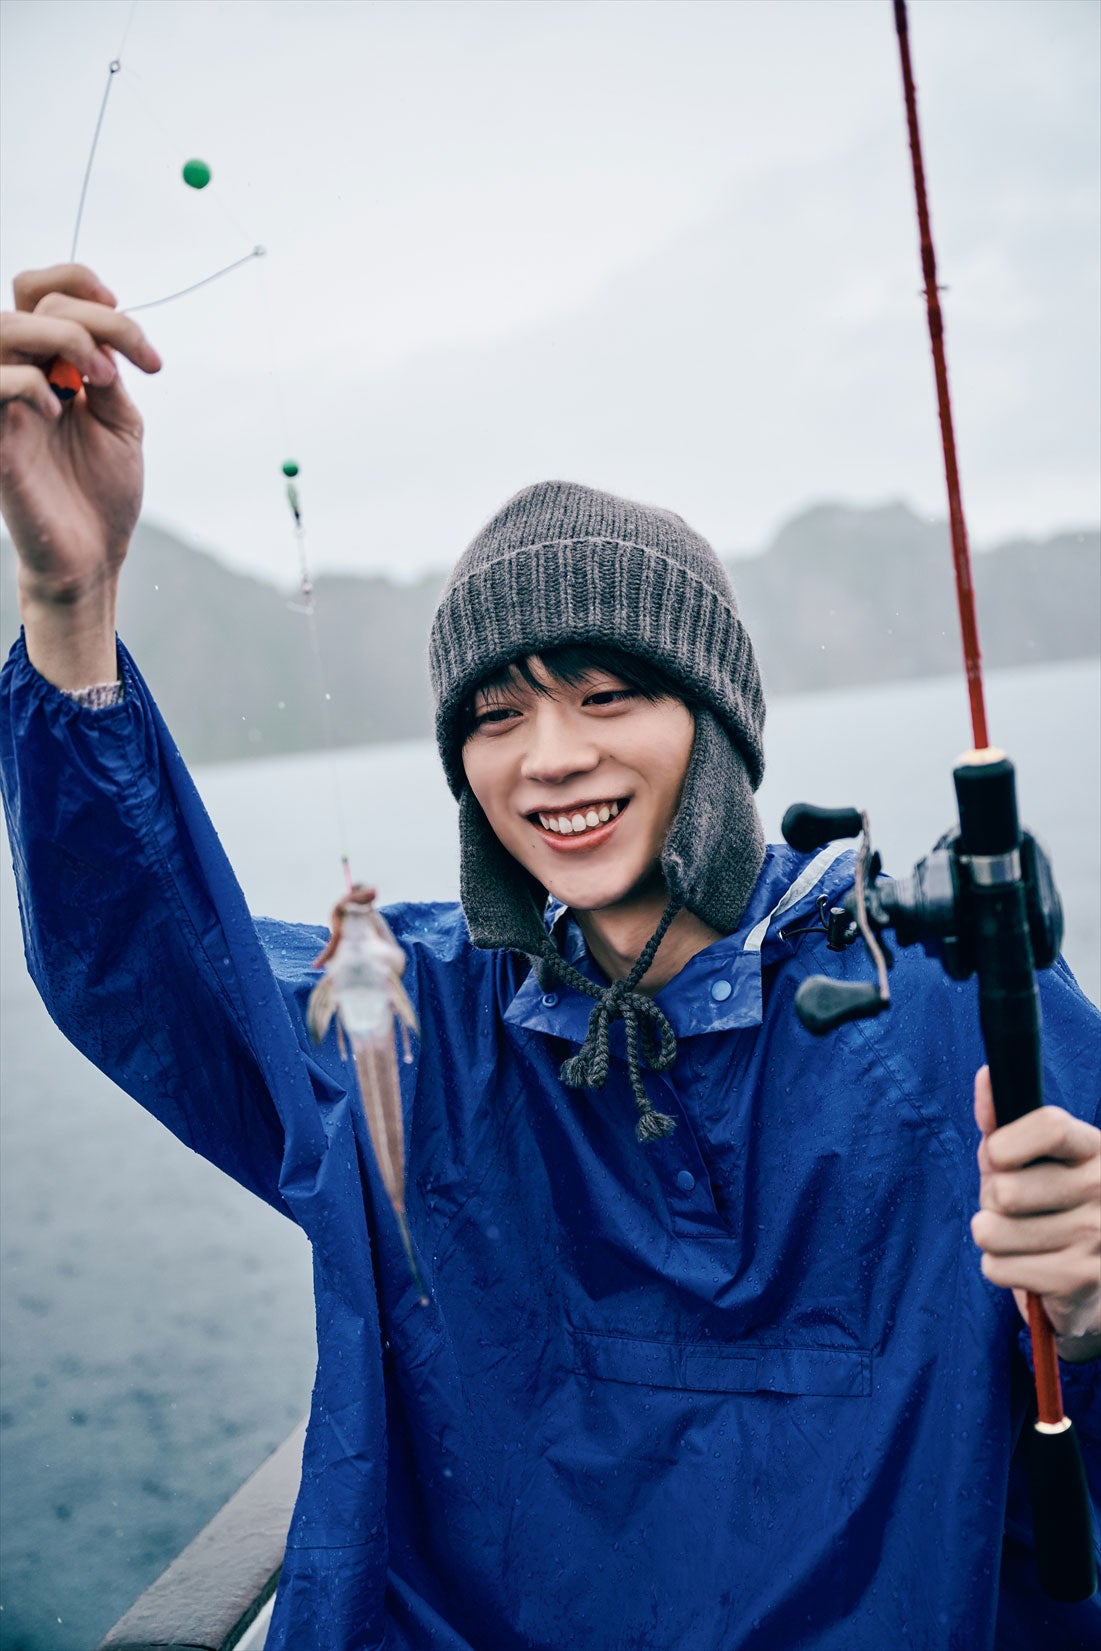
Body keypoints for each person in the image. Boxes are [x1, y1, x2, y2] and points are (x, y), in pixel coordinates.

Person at [1, 264, 1099, 1651]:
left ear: (715, 724)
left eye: (608, 695)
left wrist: (1093, 1303)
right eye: (498, 713)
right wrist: (68, 595)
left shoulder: (944, 1003)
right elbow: (147, 963)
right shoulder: (409, 1023)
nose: (552, 757)